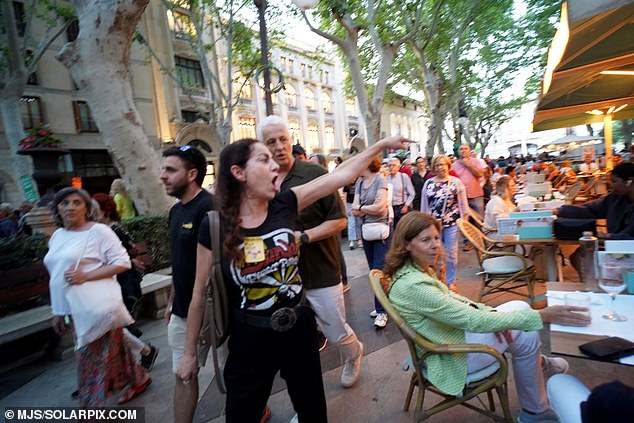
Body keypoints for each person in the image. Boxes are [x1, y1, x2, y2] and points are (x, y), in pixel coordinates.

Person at [176, 135, 410, 422]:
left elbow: (341, 176)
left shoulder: (285, 203)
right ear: (238, 172)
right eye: (263, 160)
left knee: (312, 410)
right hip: (249, 337)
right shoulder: (214, 225)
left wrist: (380, 145)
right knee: (241, 414)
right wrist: (188, 354)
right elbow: (199, 293)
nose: (275, 166)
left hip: (298, 327)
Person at [383, 212, 591, 423]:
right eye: (425, 240)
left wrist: (492, 316)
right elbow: (472, 320)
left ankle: (536, 383)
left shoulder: (412, 272)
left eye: (436, 238)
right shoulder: (415, 286)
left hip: (449, 336)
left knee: (519, 307)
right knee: (525, 333)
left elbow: (464, 308)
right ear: (406, 245)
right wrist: (543, 316)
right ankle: (535, 407)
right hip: (451, 357)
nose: (435, 245)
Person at [260, 115, 364, 388]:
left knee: (335, 329)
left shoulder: (314, 175)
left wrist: (303, 237)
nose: (279, 146)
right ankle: (306, 403)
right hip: (280, 281)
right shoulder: (259, 181)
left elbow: (340, 220)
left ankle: (354, 354)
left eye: (283, 139)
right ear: (261, 146)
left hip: (320, 271)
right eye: (271, 142)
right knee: (296, 341)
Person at [43, 187, 150, 407]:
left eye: (76, 202)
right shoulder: (57, 236)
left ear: (87, 207)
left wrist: (86, 276)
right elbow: (56, 277)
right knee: (111, 352)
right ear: (57, 209)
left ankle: (92, 410)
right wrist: (58, 312)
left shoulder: (99, 232)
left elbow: (122, 262)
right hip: (76, 309)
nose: (70, 207)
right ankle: (139, 379)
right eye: (64, 203)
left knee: (90, 362)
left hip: (98, 309)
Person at [160, 145, 214, 423]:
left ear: (192, 174)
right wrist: (171, 299)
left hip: (216, 314)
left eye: (170, 170)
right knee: (183, 374)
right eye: (163, 169)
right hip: (182, 311)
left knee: (239, 375)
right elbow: (179, 262)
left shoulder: (211, 208)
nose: (162, 176)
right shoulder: (175, 212)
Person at [91, 193, 159, 370]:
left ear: (105, 210)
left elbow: (132, 250)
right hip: (108, 283)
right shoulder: (96, 230)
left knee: (116, 327)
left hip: (123, 282)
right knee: (113, 327)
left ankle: (141, 354)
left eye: (94, 208)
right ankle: (138, 355)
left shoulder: (114, 229)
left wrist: (118, 260)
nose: (90, 212)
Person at [351, 155, 391, 329]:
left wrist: (361, 209)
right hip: (366, 231)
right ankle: (382, 304)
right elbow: (353, 207)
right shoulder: (359, 183)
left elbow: (380, 207)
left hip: (381, 231)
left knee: (379, 270)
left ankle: (382, 310)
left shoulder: (380, 179)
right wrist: (364, 209)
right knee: (372, 271)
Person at [421, 155, 469, 291]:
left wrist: (464, 223)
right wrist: (423, 223)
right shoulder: (428, 183)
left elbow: (463, 205)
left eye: (442, 164)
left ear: (448, 166)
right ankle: (436, 280)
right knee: (433, 253)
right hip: (433, 225)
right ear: (433, 168)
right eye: (437, 165)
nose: (440, 167)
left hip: (451, 224)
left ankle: (450, 281)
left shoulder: (456, 182)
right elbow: (425, 206)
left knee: (451, 253)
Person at [452, 144, 486, 251]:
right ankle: (468, 242)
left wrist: (468, 164)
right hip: (461, 197)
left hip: (476, 194)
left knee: (479, 219)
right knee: (465, 221)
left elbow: (480, 174)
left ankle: (483, 240)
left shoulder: (475, 161)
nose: (463, 150)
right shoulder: (454, 165)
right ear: (458, 152)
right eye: (461, 149)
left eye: (465, 148)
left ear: (469, 150)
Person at [387, 157, 415, 228]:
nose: (391, 167)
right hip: (389, 208)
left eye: (393, 165)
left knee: (402, 228)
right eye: (389, 165)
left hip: (401, 207)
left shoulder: (403, 177)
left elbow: (412, 193)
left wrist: (406, 206)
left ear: (398, 166)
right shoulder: (386, 178)